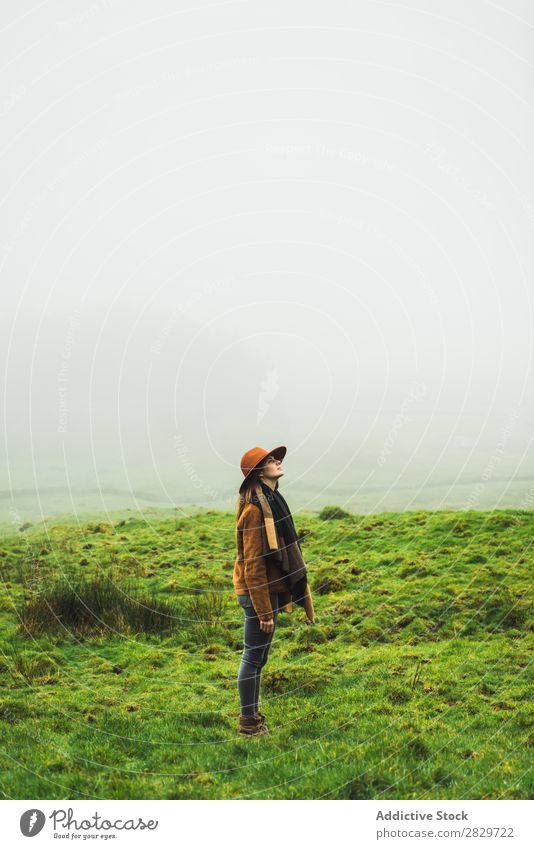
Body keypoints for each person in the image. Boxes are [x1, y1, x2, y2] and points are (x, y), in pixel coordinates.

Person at [233, 445, 315, 737]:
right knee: (253, 659)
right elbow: (252, 564)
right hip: (258, 594)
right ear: (259, 471)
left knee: (259, 658)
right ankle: (248, 724)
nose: (277, 461)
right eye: (270, 460)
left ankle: (252, 717)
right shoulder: (256, 510)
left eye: (276, 458)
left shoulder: (272, 500)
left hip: (269, 591)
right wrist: (264, 610)